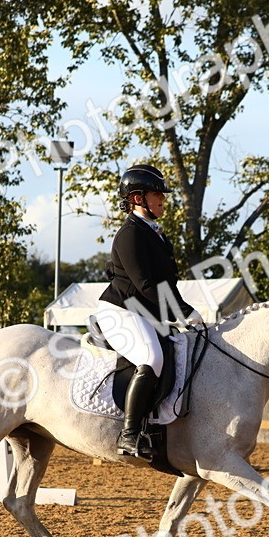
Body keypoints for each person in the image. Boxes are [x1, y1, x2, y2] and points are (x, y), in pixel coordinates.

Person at [98, 164, 202, 459]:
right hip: (121, 309)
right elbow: (145, 284)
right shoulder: (129, 234)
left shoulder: (158, 235)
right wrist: (181, 311)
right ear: (137, 198)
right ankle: (129, 435)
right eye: (157, 194)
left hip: (145, 312)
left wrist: (184, 310)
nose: (163, 200)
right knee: (152, 358)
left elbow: (167, 284)